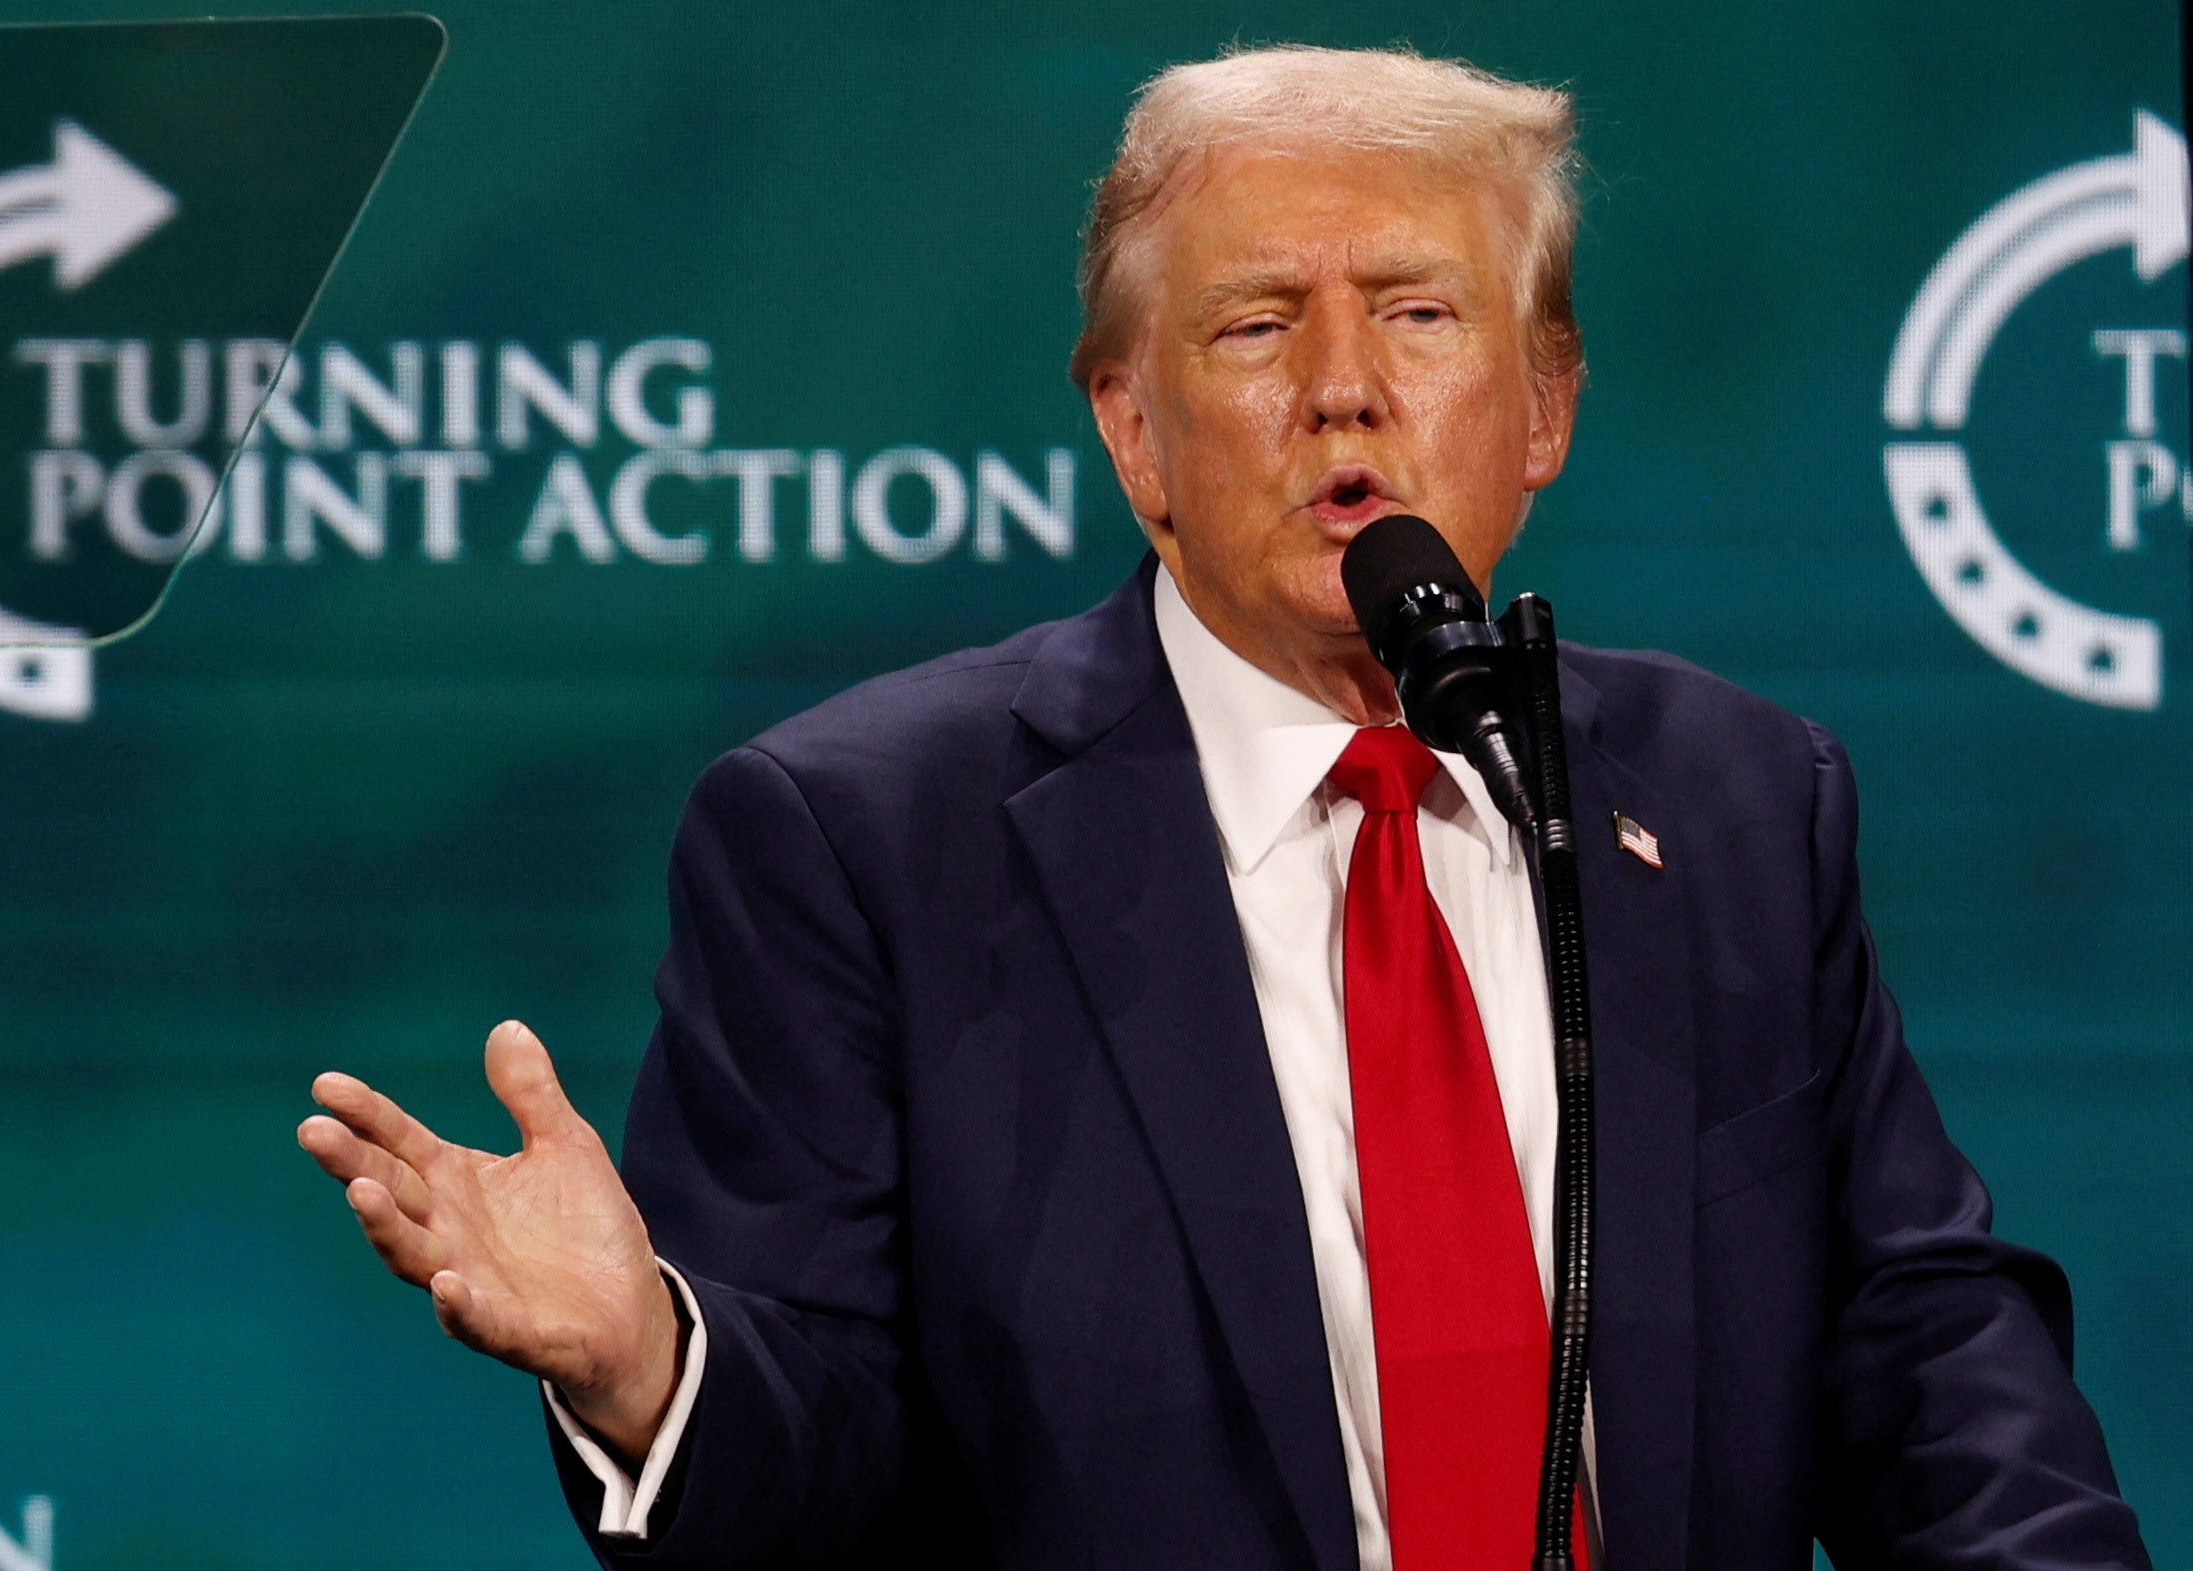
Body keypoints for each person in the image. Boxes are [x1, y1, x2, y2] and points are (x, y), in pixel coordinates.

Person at [297, 44, 2152, 1571]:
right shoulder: (862, 842)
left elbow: (1921, 1348)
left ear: (1544, 410)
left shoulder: (1736, 799)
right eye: (1257, 329)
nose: (1344, 390)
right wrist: (650, 1364)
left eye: (1418, 315)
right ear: (1131, 434)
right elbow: (823, 1459)